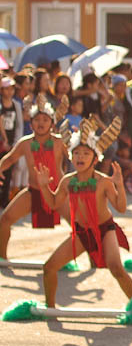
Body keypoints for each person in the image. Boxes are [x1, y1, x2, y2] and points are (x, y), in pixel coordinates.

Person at [34, 118, 132, 308]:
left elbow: (121, 208)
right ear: (71, 157)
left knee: (116, 267)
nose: (80, 157)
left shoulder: (103, 181)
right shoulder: (67, 181)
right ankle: (50, 308)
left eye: (86, 153)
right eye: (76, 153)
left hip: (105, 230)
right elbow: (55, 203)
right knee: (49, 268)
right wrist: (43, 187)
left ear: (95, 158)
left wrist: (120, 185)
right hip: (81, 232)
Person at [0, 95, 68, 260]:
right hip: (34, 191)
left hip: (58, 193)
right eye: (37, 119)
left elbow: (80, 158)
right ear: (31, 124)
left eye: (45, 119)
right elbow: (9, 159)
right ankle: (1, 258)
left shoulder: (60, 142)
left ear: (52, 124)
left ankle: (94, 259)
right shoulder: (26, 143)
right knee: (5, 220)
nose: (41, 123)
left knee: (81, 224)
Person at [0, 77, 24, 207]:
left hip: (11, 143)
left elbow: (19, 125)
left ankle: (4, 200)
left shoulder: (16, 105)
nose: (9, 92)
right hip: (1, 143)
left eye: (11, 89)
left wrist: (15, 143)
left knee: (9, 172)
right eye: (6, 89)